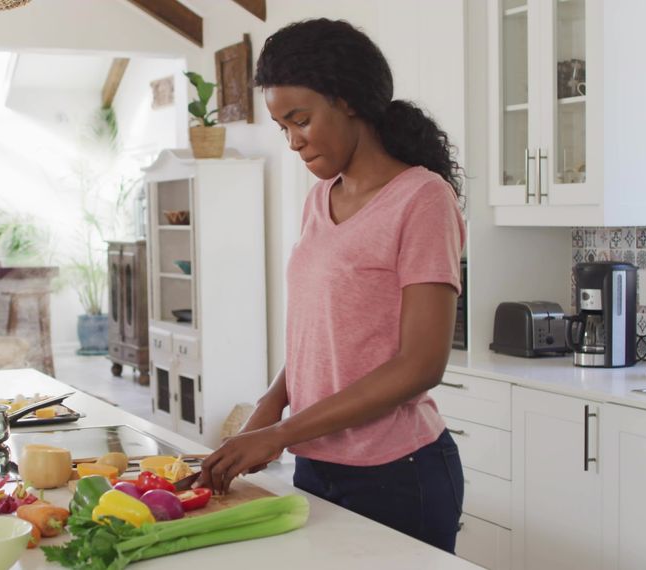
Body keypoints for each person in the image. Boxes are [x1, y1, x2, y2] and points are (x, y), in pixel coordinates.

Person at [195, 18, 467, 552]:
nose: (294, 141)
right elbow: (318, 335)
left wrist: (278, 434)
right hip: (316, 465)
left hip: (397, 472)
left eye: (301, 120)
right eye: (283, 127)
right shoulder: (320, 200)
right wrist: (271, 405)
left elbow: (421, 365)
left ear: (348, 101)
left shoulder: (422, 199)